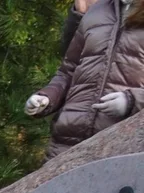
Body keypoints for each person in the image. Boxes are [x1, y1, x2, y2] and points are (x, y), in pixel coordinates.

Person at [25, 0, 144, 160]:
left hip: (122, 148)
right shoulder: (96, 11)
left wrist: (131, 101)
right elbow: (68, 71)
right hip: (67, 142)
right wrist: (47, 97)